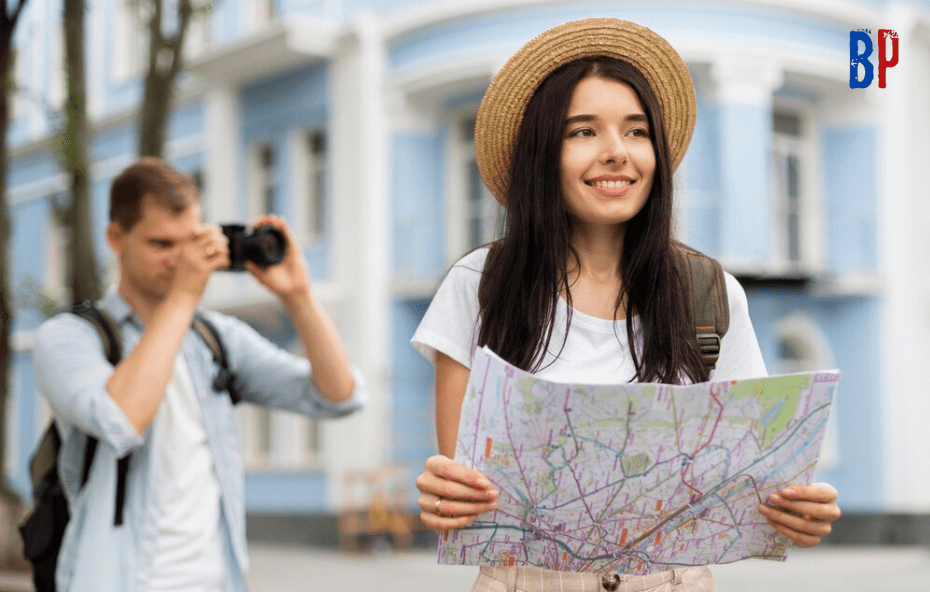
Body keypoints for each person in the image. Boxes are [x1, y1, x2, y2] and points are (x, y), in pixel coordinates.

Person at [411, 18, 840, 592]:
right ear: (542, 153)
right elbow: (462, 486)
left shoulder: (710, 293)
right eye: (582, 132)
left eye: (636, 132)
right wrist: (445, 497)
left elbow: (753, 481)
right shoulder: (480, 285)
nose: (617, 153)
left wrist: (797, 512)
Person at [33, 156, 366, 592]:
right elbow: (121, 420)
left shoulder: (215, 339)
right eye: (161, 244)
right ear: (116, 238)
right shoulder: (69, 337)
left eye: (189, 241)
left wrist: (299, 294)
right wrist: (186, 294)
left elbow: (338, 396)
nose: (179, 259)